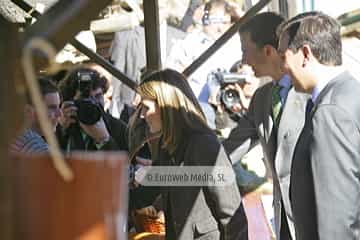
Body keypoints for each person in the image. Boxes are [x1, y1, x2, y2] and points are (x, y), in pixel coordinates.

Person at [130, 69, 248, 240]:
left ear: (165, 107)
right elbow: (148, 191)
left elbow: (233, 216)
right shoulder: (167, 144)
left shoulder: (204, 145)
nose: (142, 115)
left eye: (146, 108)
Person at [222, 12, 309, 240]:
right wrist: (178, 175)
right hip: (282, 222)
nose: (243, 60)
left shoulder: (311, 95)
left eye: (244, 50)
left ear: (268, 50)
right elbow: (228, 151)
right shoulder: (261, 99)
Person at [277, 11, 360, 240]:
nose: (282, 67)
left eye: (284, 56)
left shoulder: (330, 112)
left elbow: (337, 219)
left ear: (305, 54)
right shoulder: (350, 92)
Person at [167, 0, 243, 128]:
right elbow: (172, 65)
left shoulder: (235, 45)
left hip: (224, 114)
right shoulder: (192, 41)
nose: (220, 27)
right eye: (214, 20)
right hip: (189, 110)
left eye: (225, 22)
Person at [108, 0, 186, 119]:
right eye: (152, 9)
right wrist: (114, 109)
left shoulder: (180, 38)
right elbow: (116, 75)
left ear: (169, 10)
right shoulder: (126, 35)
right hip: (132, 108)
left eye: (161, 8)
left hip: (170, 109)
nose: (156, 13)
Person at [57, 67, 127, 152]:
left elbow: (126, 164)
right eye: (85, 99)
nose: (93, 103)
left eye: (98, 96)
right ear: (70, 101)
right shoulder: (60, 125)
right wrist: (60, 129)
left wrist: (104, 140)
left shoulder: (119, 128)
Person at [10, 76, 61, 153]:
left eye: (59, 106)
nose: (59, 113)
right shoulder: (36, 147)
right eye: (52, 107)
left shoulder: (11, 136)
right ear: (28, 111)